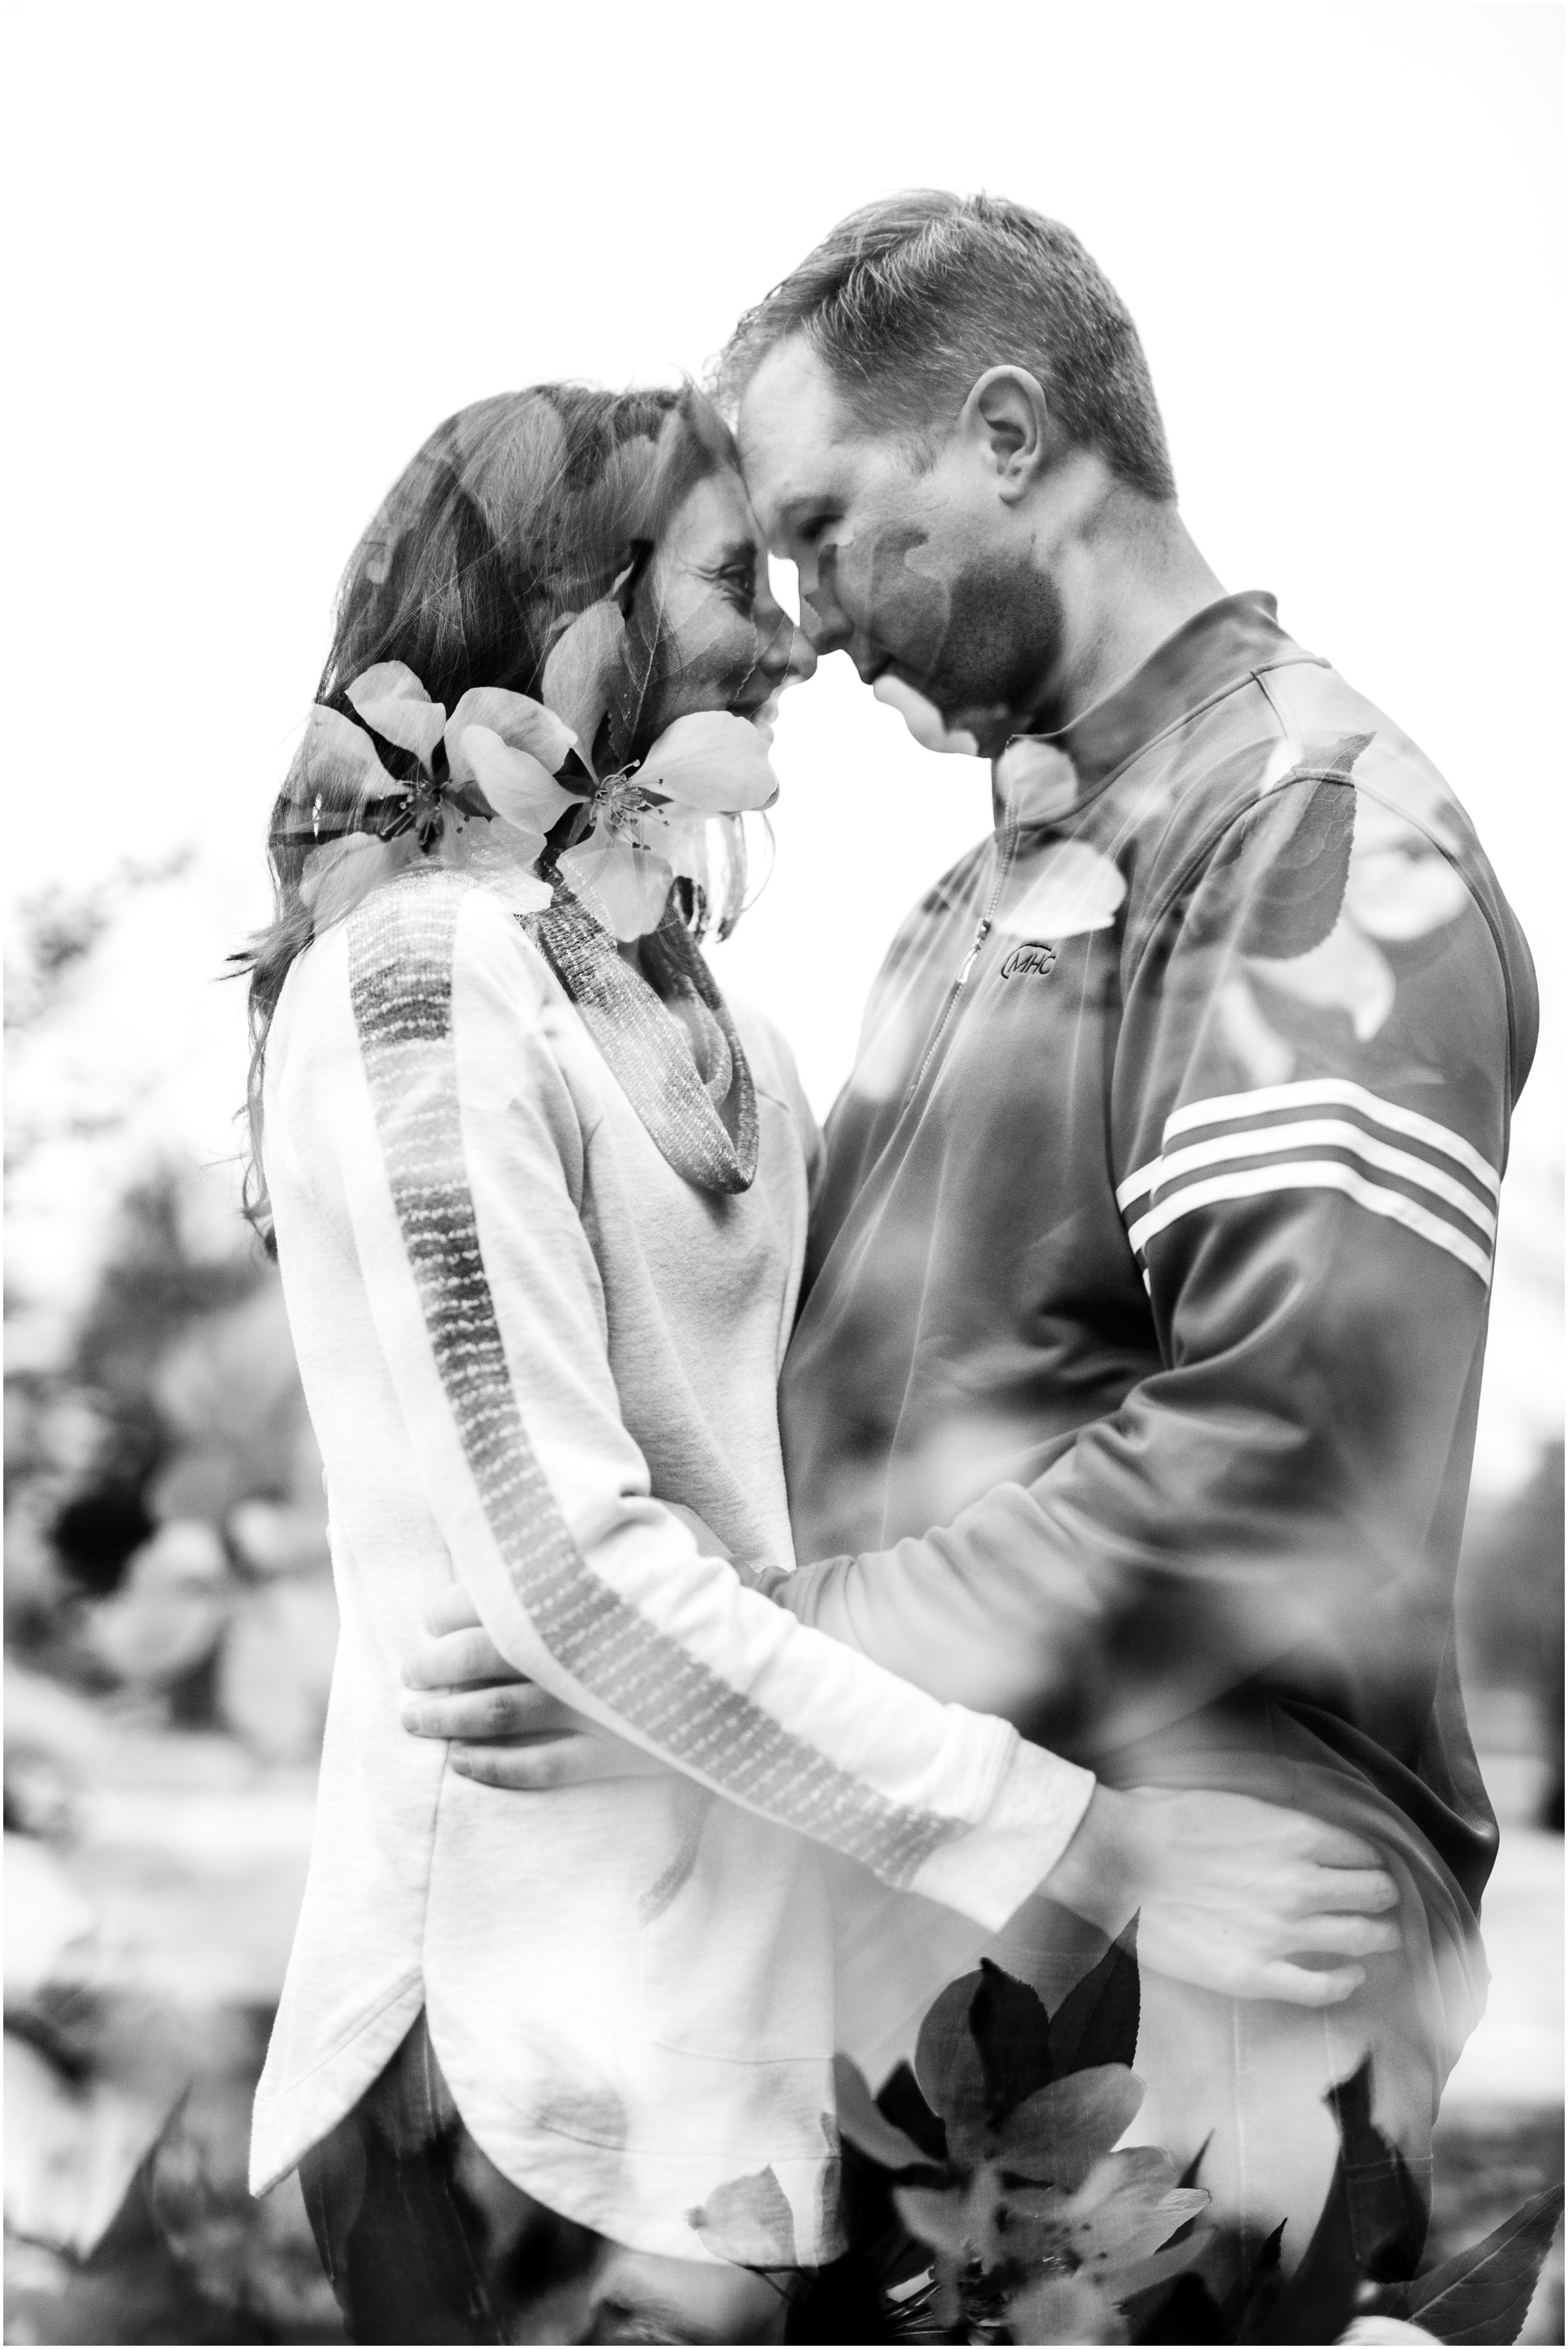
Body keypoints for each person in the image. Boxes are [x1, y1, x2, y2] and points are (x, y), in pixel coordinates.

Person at [408, 195, 1537, 2285]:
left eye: (828, 525)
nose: (807, 615)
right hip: (972, 1921)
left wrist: (740, 1642)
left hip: (1218, 1959)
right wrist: (631, 1630)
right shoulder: (989, 891)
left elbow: (1279, 1451)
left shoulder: (1311, 831)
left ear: (1007, 435)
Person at [245, 378, 1402, 2344]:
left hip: (734, 2059)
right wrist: (1098, 1854)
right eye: (728, 576)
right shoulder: (427, 982)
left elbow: (812, 1511)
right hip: (515, 2067)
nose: (789, 634)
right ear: (565, 616)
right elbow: (568, 1573)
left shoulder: (737, 1048)